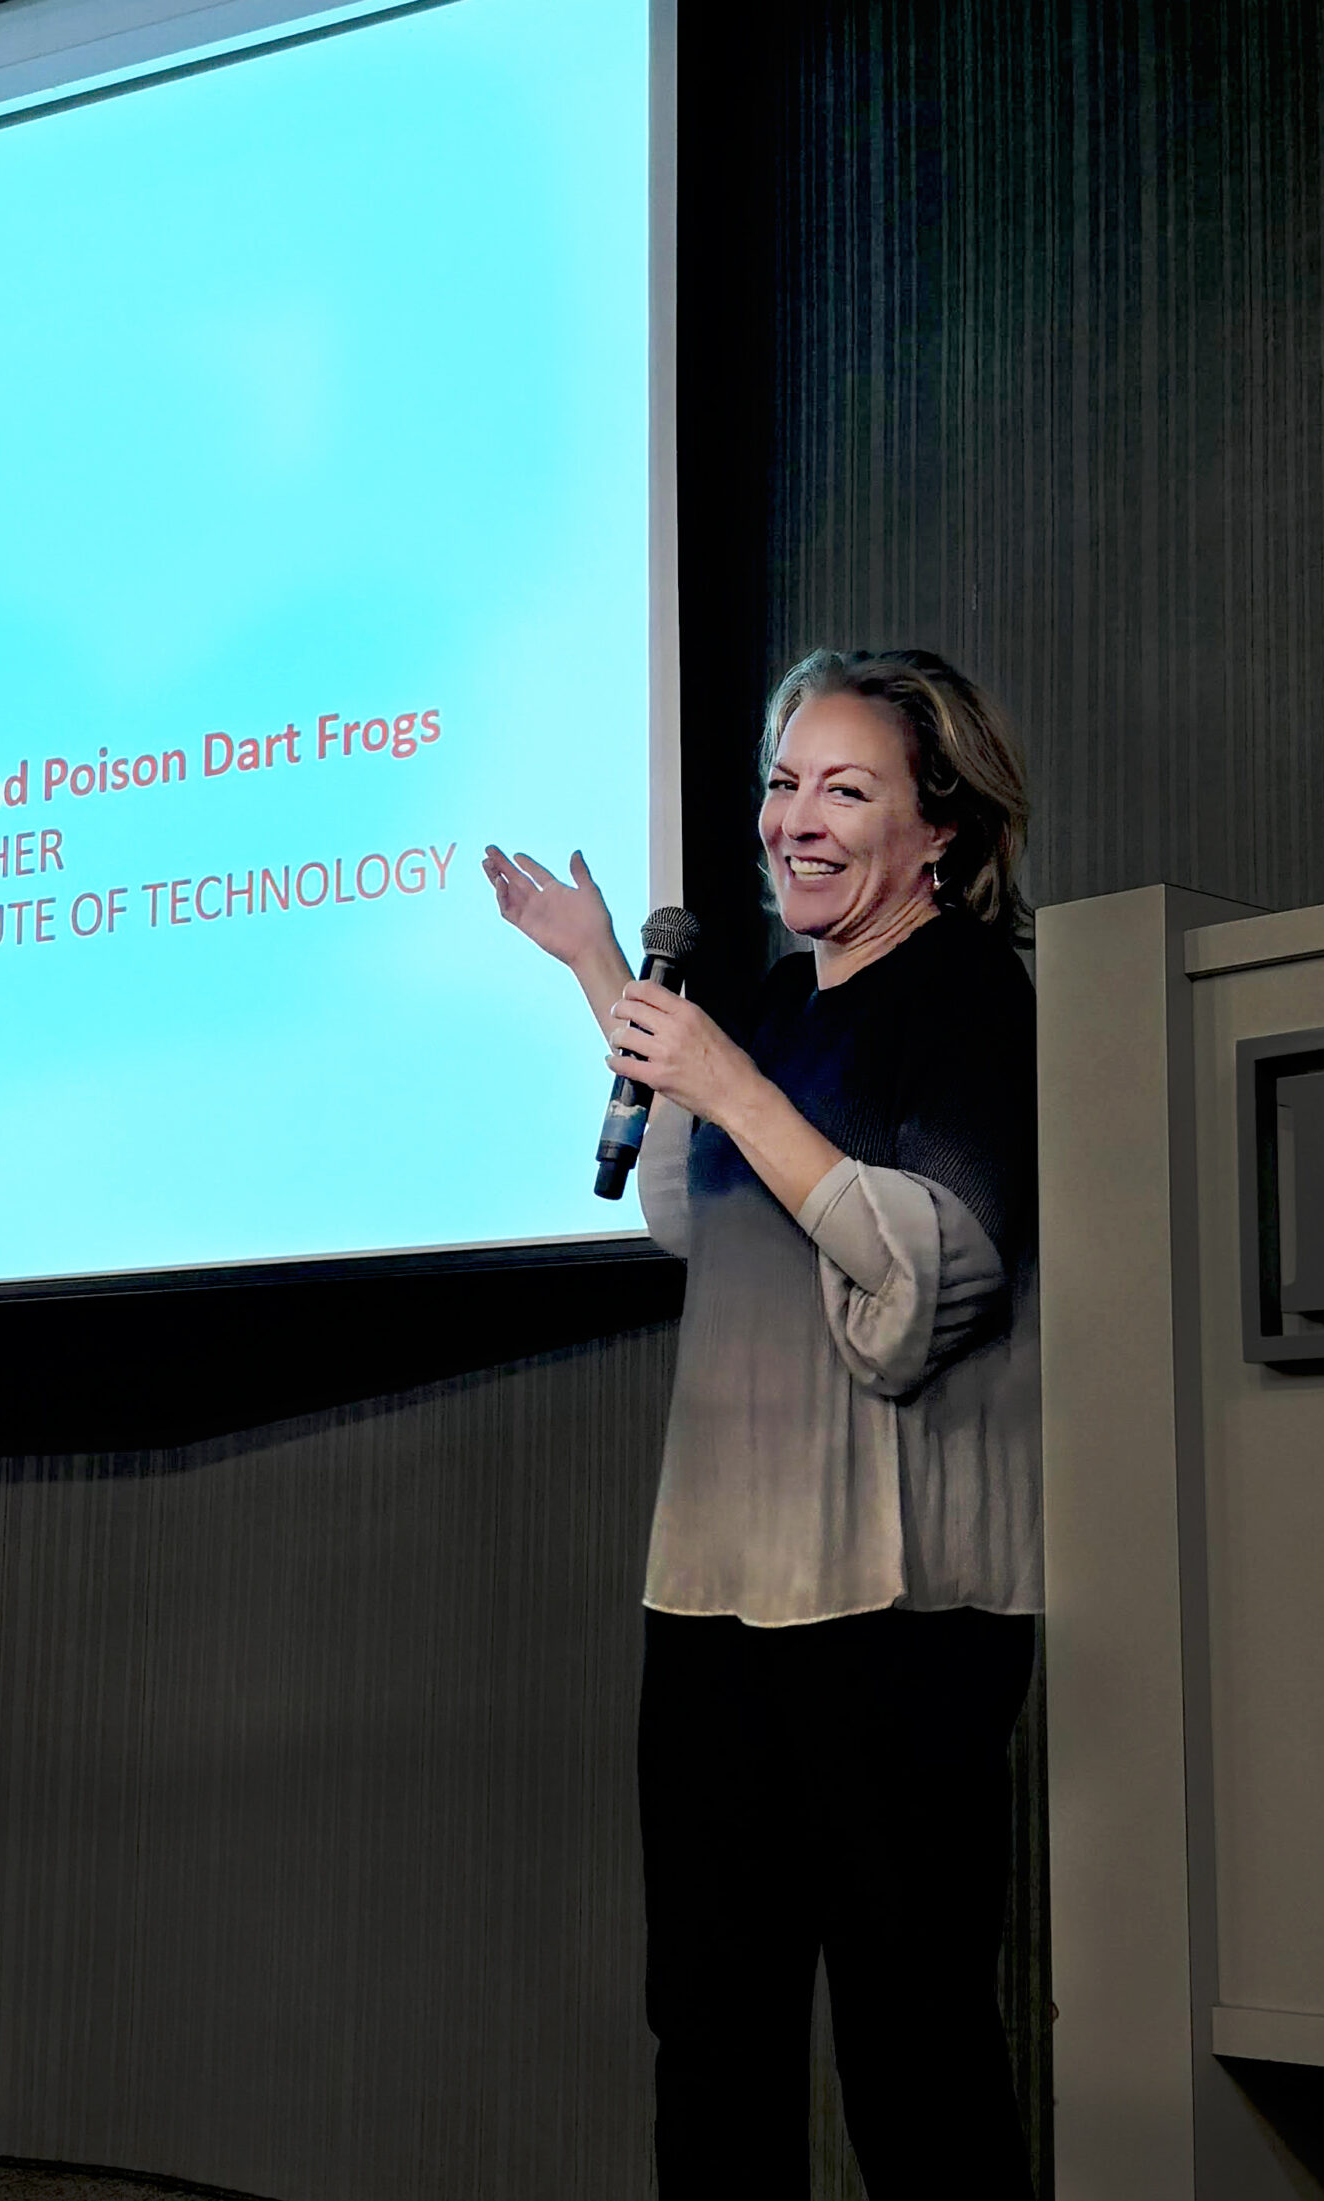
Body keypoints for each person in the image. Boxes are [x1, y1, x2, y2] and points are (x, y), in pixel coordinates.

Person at [483, 647, 1040, 2200]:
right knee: (712, 2036)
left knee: (913, 2052)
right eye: (783, 782)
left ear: (941, 832)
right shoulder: (779, 1008)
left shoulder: (972, 1000)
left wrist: (729, 1079)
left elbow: (934, 1284)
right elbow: (693, 1208)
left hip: (897, 1606)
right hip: (720, 1593)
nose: (795, 818)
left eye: (844, 788)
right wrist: (604, 972)